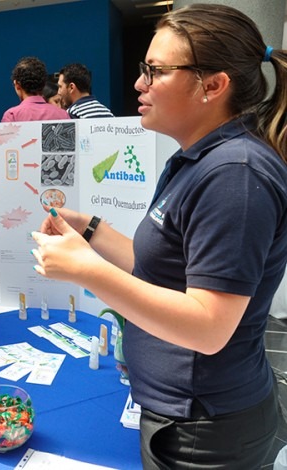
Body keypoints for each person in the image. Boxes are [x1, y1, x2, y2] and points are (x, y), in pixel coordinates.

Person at [32, 4, 287, 467]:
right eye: (142, 69)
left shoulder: (234, 173)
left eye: (156, 71)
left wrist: (83, 269)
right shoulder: (196, 158)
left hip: (206, 428)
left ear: (213, 85)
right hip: (182, 413)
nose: (139, 84)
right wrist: (89, 230)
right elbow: (160, 270)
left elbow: (209, 327)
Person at [0, 57, 68, 224]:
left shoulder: (12, 115)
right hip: (56, 195)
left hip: (20, 193)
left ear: (17, 85)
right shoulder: (63, 115)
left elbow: (3, 163)